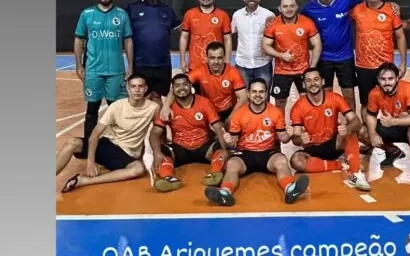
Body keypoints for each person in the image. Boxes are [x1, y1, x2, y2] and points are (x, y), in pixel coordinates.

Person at [299, 0, 401, 110]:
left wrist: (390, 4)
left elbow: (371, 2)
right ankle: (329, 121)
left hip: (345, 57)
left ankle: (351, 121)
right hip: (323, 58)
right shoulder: (308, 8)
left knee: (349, 95)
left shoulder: (347, 0)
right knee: (326, 94)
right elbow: (297, 24)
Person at [204, 78, 309, 207]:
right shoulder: (239, 114)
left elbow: (283, 138)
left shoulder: (275, 112)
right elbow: (233, 143)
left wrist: (289, 134)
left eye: (261, 92)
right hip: (245, 154)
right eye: (254, 91)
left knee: (282, 160)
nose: (257, 95)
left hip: (268, 153)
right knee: (232, 164)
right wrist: (229, 141)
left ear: (266, 94)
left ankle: (290, 189)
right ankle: (225, 193)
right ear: (248, 94)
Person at [57, 74, 160, 192]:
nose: (137, 90)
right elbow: (95, 134)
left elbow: (157, 131)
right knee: (73, 142)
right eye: (133, 86)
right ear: (128, 89)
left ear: (145, 89)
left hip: (126, 154)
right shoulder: (117, 106)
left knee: (138, 169)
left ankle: (84, 181)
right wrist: (90, 161)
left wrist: (156, 153)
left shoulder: (154, 108)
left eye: (140, 86)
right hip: (108, 146)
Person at [73, 0, 133, 151]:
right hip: (93, 71)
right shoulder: (87, 14)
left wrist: (130, 65)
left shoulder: (122, 14)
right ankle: (88, 147)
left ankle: (119, 147)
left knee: (117, 111)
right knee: (92, 110)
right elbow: (79, 40)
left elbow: (128, 41)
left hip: (116, 71)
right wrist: (79, 65)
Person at [350, 0, 407, 153]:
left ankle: (397, 137)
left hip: (385, 67)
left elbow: (400, 37)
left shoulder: (391, 10)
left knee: (391, 103)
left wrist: (403, 63)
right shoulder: (356, 10)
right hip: (364, 67)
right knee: (366, 104)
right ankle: (370, 139)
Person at [289, 68, 370, 191]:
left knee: (357, 131)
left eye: (316, 79)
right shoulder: (298, 107)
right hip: (313, 148)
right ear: (304, 85)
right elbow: (295, 139)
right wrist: (300, 139)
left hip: (334, 143)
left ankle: (355, 174)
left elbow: (356, 121)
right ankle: (340, 165)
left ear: (322, 81)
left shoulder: (335, 98)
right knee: (296, 161)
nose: (313, 83)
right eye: (308, 81)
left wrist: (347, 127)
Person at [149, 73, 229, 192]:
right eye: (177, 86)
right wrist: (157, 153)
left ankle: (215, 174)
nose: (182, 88)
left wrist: (225, 149)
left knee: (219, 147)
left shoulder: (204, 102)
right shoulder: (167, 109)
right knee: (162, 150)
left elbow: (218, 127)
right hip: (180, 149)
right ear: (172, 89)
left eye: (185, 84)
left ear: (190, 86)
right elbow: (155, 133)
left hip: (204, 147)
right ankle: (168, 178)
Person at [363, 62, 410, 182]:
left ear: (397, 78)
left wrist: (393, 121)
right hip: (389, 124)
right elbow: (371, 115)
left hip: (408, 126)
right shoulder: (374, 93)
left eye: (390, 78)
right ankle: (393, 151)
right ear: (378, 79)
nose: (387, 82)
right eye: (383, 79)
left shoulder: (408, 88)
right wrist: (372, 133)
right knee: (362, 131)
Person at [160, 42, 247, 128]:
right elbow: (178, 87)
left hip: (229, 111)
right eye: (212, 58)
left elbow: (243, 98)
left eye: (219, 58)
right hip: (207, 111)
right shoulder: (200, 72)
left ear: (224, 57)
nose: (216, 62)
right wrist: (166, 106)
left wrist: (230, 118)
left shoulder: (233, 72)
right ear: (206, 58)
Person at [262, 0, 322, 117]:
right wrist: (281, 55)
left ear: (296, 7)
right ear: (280, 8)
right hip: (281, 71)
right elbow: (265, 46)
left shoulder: (307, 22)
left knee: (307, 101)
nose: (288, 9)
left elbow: (317, 44)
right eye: (285, 6)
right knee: (280, 102)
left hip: (303, 70)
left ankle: (305, 126)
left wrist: (312, 67)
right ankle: (280, 127)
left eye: (291, 6)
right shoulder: (273, 24)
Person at [125, 0, 182, 106]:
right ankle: (142, 120)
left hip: (162, 63)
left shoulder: (168, 10)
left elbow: (182, 30)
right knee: (142, 97)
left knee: (157, 96)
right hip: (140, 63)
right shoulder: (132, 9)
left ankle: (158, 120)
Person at [231, 0, 275, 90]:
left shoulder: (269, 15)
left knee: (264, 96)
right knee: (243, 96)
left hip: (263, 64)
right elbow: (230, 32)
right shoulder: (237, 15)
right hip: (242, 64)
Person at [179, 0, 232, 72]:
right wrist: (182, 60)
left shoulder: (223, 15)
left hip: (216, 65)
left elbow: (227, 39)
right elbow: (184, 37)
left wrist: (227, 61)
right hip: (195, 65)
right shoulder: (189, 14)